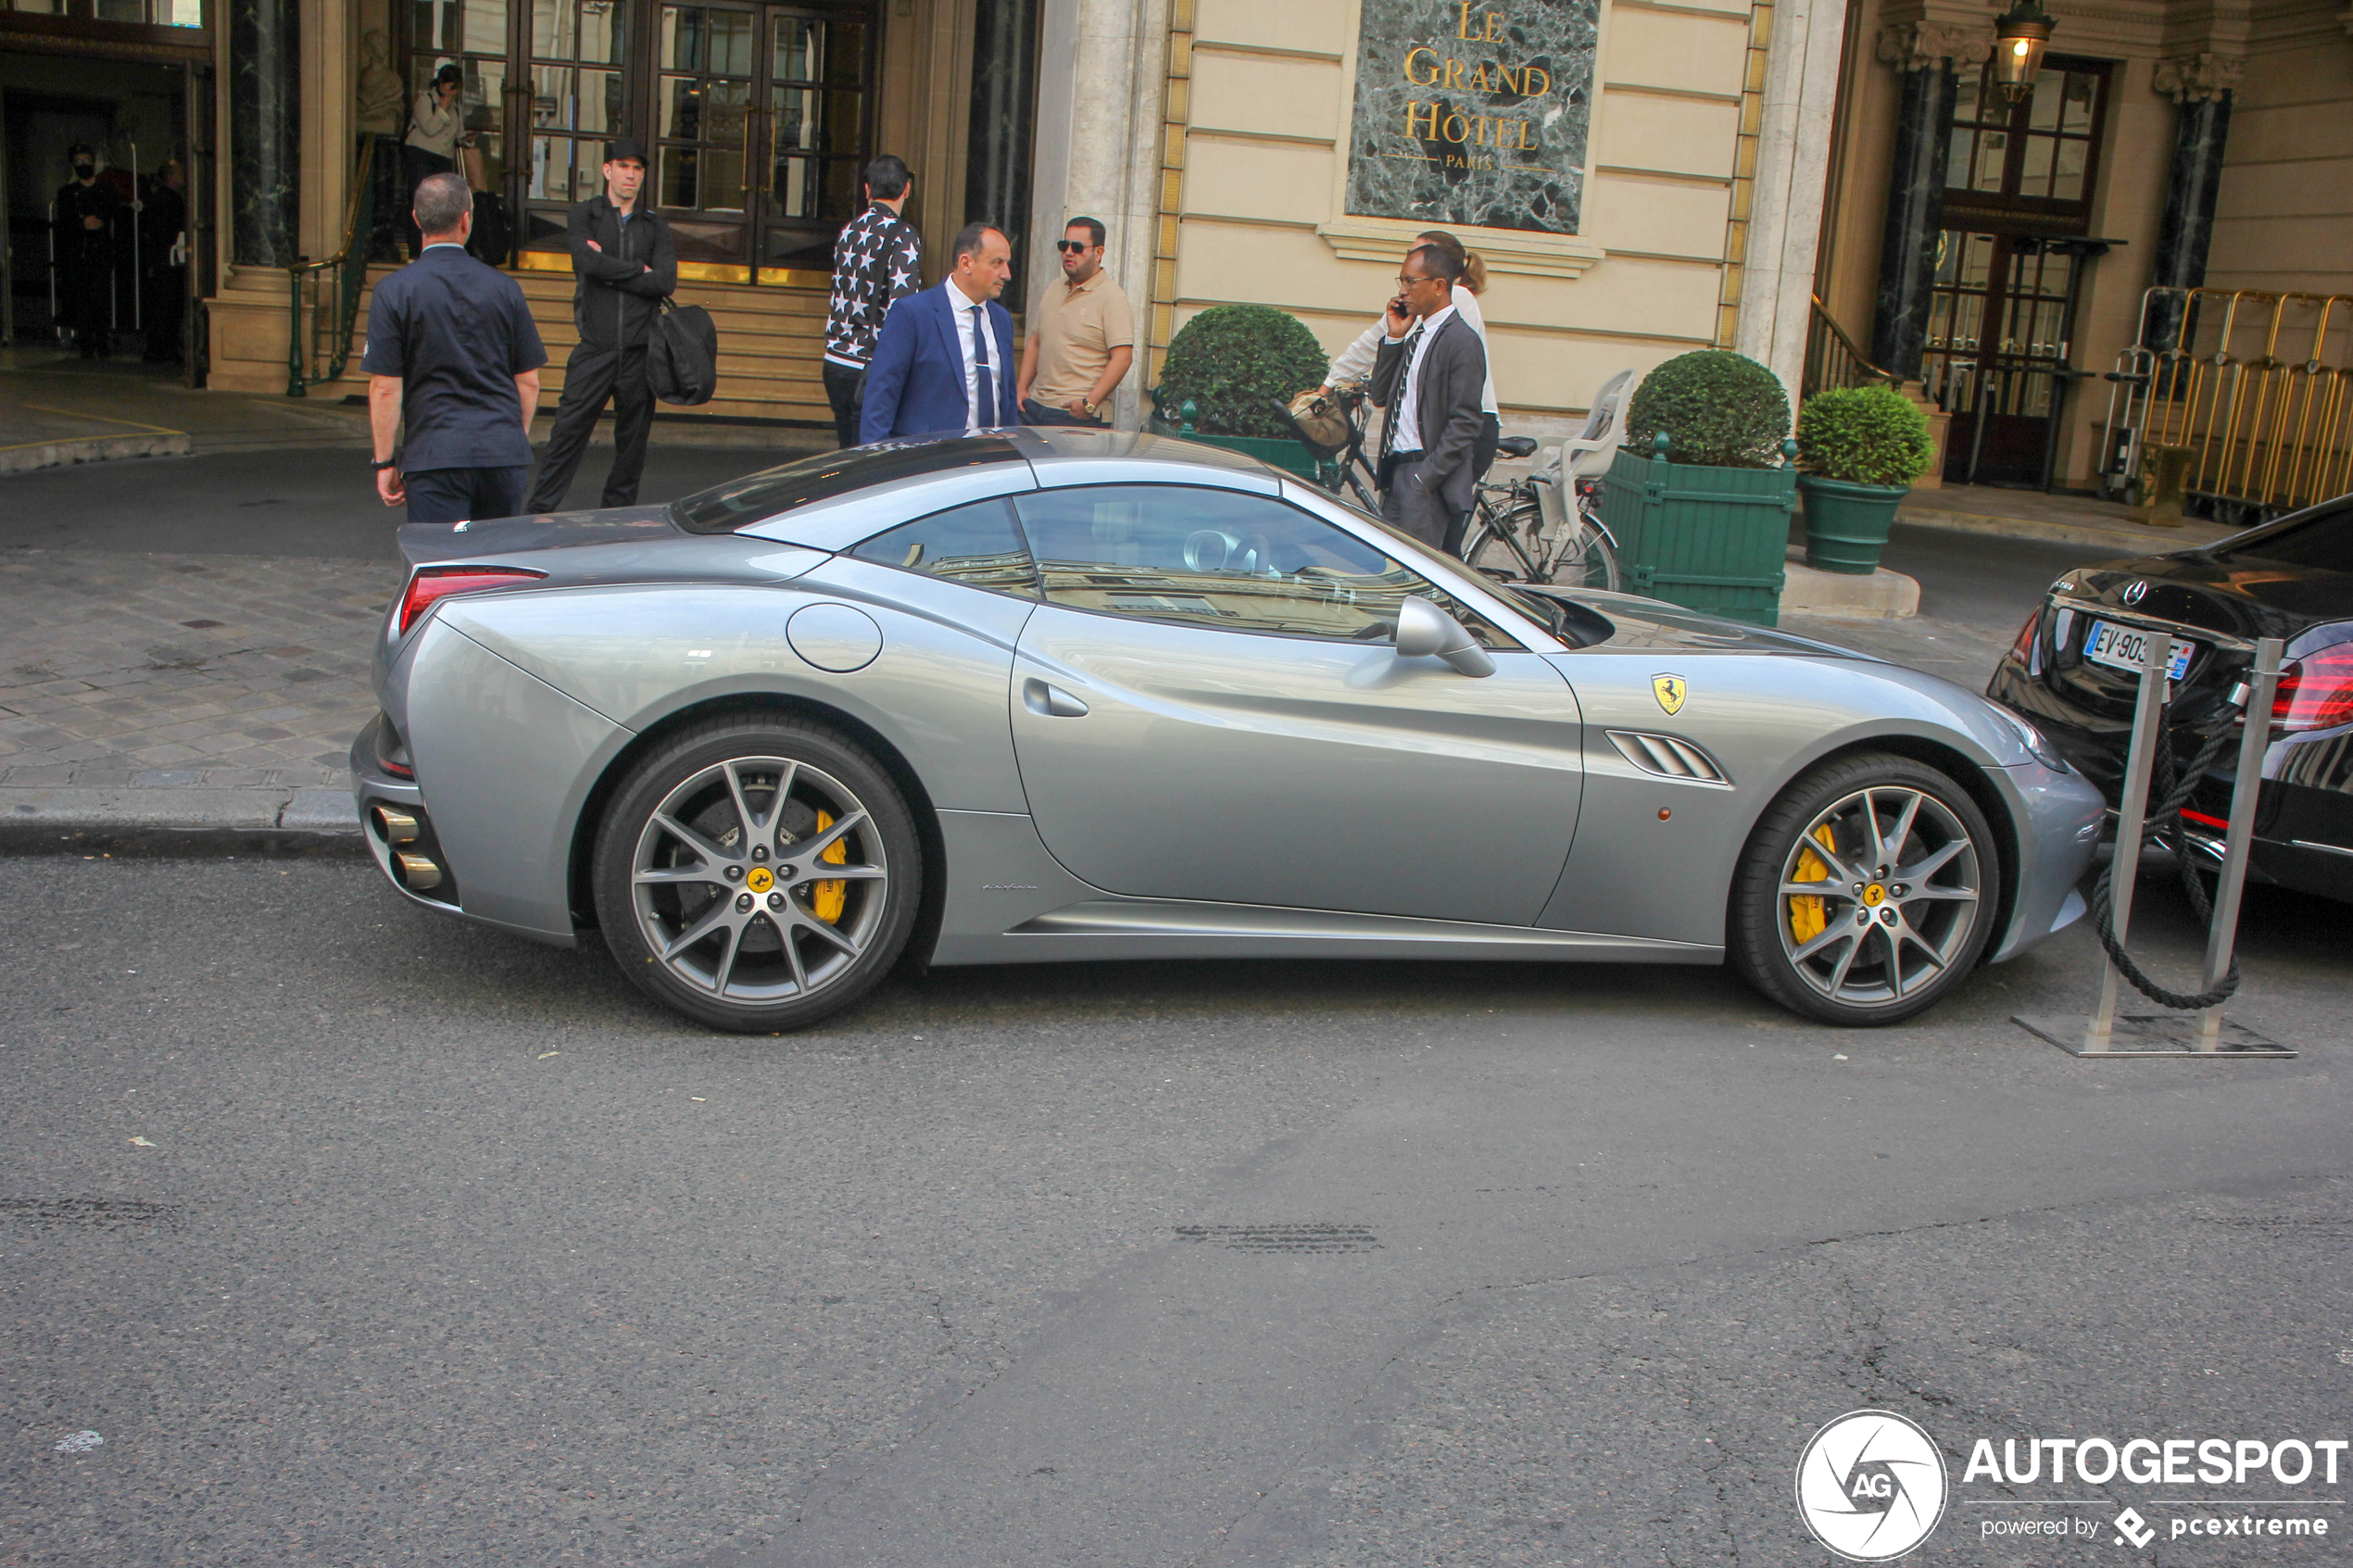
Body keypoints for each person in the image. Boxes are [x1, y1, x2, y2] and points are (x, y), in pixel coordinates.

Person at [364, 172, 547, 524]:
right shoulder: (505, 288)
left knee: (443, 568)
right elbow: (529, 381)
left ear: (416, 219)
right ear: (466, 220)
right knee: (498, 570)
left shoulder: (393, 291)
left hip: (435, 455)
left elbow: (385, 388)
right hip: (500, 451)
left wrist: (385, 462)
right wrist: (510, 436)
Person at [523, 137, 676, 512]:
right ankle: (537, 514)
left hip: (641, 352)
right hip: (595, 348)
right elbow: (584, 262)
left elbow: (664, 282)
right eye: (623, 166)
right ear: (607, 170)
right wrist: (635, 270)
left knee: (632, 447)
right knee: (566, 435)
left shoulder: (655, 226)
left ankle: (617, 519)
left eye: (638, 168)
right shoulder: (584, 214)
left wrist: (608, 269)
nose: (631, 175)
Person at [1322, 229, 1501, 477]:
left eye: (1418, 254)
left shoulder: (1457, 300)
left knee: (1432, 506)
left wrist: (1425, 480)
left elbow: (1456, 394)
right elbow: (1372, 342)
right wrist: (1327, 386)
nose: (1410, 262)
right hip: (1424, 434)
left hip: (1459, 429)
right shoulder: (1414, 306)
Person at [1369, 244, 1487, 553]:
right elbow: (1379, 395)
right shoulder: (1417, 335)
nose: (1404, 291)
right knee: (1391, 569)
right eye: (1401, 282)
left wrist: (1426, 478)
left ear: (1438, 286)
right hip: (1397, 473)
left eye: (1411, 281)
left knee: (1416, 578)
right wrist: (1394, 337)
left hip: (1424, 477)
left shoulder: (1461, 340)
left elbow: (1467, 421)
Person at [859, 221, 1019, 443]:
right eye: (997, 263)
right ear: (966, 263)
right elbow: (881, 396)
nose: (1007, 274)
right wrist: (875, 461)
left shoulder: (1001, 320)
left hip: (990, 461)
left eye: (1007, 264)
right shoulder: (913, 314)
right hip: (928, 461)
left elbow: (1008, 397)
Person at [822, 154, 922, 447]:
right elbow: (904, 310)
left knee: (846, 453)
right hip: (871, 368)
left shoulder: (848, 231)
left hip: (835, 360)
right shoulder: (904, 235)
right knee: (870, 466)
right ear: (907, 189)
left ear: (867, 190)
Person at [1016, 216, 1133, 427]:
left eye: (1077, 247)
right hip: (1034, 407)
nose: (1069, 252)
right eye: (1064, 245)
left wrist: (1089, 403)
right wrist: (1021, 388)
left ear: (1098, 253)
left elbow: (1123, 358)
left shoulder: (1112, 297)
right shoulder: (1054, 287)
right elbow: (1036, 341)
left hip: (1077, 416)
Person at [54, 144, 120, 359]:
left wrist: (97, 221)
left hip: (100, 250)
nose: (83, 165)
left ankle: (103, 341)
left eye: (87, 161)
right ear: (73, 165)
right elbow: (64, 222)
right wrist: (82, 223)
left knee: (101, 298)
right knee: (82, 300)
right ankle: (85, 344)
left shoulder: (106, 189)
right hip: (78, 252)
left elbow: (112, 212)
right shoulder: (66, 193)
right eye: (79, 162)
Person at [403, 64, 465, 258]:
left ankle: (438, 248)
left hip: (443, 157)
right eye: (449, 86)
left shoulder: (457, 106)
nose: (452, 91)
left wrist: (466, 139)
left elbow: (458, 133)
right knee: (422, 201)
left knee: (441, 204)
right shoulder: (426, 100)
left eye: (456, 87)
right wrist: (443, 109)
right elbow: (429, 128)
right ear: (440, 83)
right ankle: (416, 250)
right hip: (421, 153)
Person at [140, 159, 187, 365]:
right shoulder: (168, 200)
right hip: (168, 258)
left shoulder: (161, 198)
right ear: (170, 176)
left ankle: (160, 348)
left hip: (164, 257)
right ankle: (163, 349)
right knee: (167, 305)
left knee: (165, 305)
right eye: (179, 172)